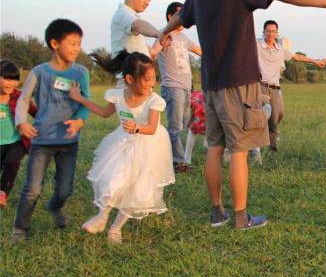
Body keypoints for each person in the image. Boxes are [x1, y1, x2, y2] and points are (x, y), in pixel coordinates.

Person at [159, 0, 326, 231]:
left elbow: (181, 19)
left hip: (210, 83)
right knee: (239, 149)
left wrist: (163, 30)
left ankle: (217, 213)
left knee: (214, 146)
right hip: (239, 81)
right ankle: (240, 218)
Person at [69, 51, 174, 244]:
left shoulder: (154, 100)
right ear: (129, 79)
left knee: (137, 190)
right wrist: (80, 98)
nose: (152, 84)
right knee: (113, 179)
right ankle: (101, 217)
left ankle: (116, 229)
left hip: (148, 147)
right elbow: (103, 112)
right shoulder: (117, 95)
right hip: (123, 144)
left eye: (153, 79)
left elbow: (151, 128)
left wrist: (137, 127)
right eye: (147, 79)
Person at [12, 19, 90, 243]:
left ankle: (55, 207)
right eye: (73, 43)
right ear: (55, 43)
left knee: (65, 190)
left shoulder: (81, 72)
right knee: (32, 189)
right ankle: (20, 227)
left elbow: (84, 103)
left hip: (69, 141)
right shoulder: (39, 71)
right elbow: (24, 98)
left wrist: (79, 122)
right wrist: (21, 123)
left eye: (79, 44)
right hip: (42, 141)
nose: (77, 48)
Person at [150, 2, 202, 173]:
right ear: (170, 17)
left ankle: (174, 157)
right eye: (181, 14)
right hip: (172, 87)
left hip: (187, 87)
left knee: (184, 124)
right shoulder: (164, 34)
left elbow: (199, 50)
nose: (185, 18)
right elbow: (153, 51)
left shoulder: (184, 38)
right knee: (175, 127)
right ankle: (179, 163)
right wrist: (157, 46)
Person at [255, 19, 317, 152]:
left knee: (275, 119)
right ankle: (255, 150)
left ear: (277, 34)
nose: (271, 34)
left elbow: (297, 57)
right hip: (261, 86)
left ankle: (273, 151)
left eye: (273, 32)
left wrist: (314, 61)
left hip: (276, 88)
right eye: (268, 31)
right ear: (263, 32)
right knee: (261, 117)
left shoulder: (280, 49)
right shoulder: (256, 45)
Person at [0, 61, 37, 207]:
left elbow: (36, 113)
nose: (12, 83)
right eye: (7, 79)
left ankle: (3, 192)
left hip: (17, 141)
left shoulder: (19, 97)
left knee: (12, 162)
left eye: (15, 79)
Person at [184, 90, 206, 165]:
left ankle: (187, 158)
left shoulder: (198, 97)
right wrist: (191, 120)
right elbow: (194, 105)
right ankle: (187, 158)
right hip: (202, 114)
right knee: (193, 131)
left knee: (193, 131)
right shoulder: (199, 97)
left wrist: (191, 120)